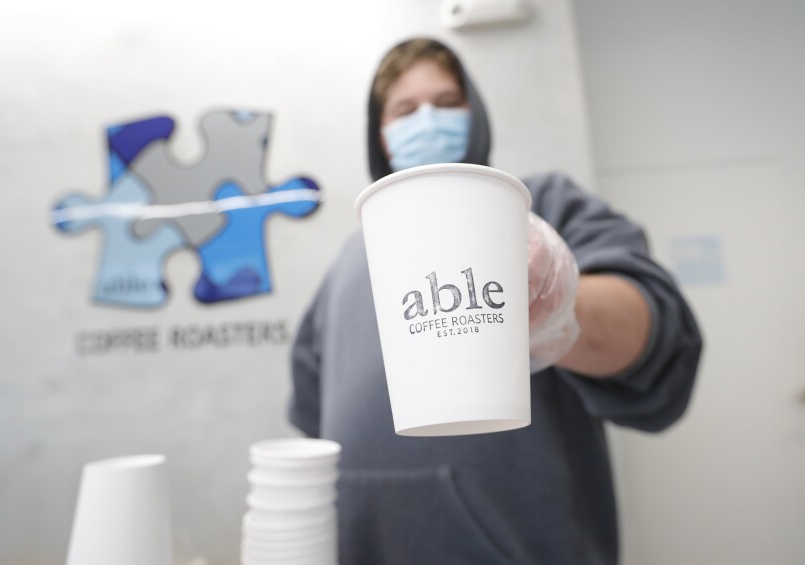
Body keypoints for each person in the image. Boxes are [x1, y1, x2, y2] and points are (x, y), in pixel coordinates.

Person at [289, 38, 702, 565]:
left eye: (446, 102)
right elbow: (311, 414)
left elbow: (659, 333)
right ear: (381, 135)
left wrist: (563, 307)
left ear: (476, 112)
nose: (428, 119)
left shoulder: (544, 205)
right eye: (406, 110)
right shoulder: (350, 258)